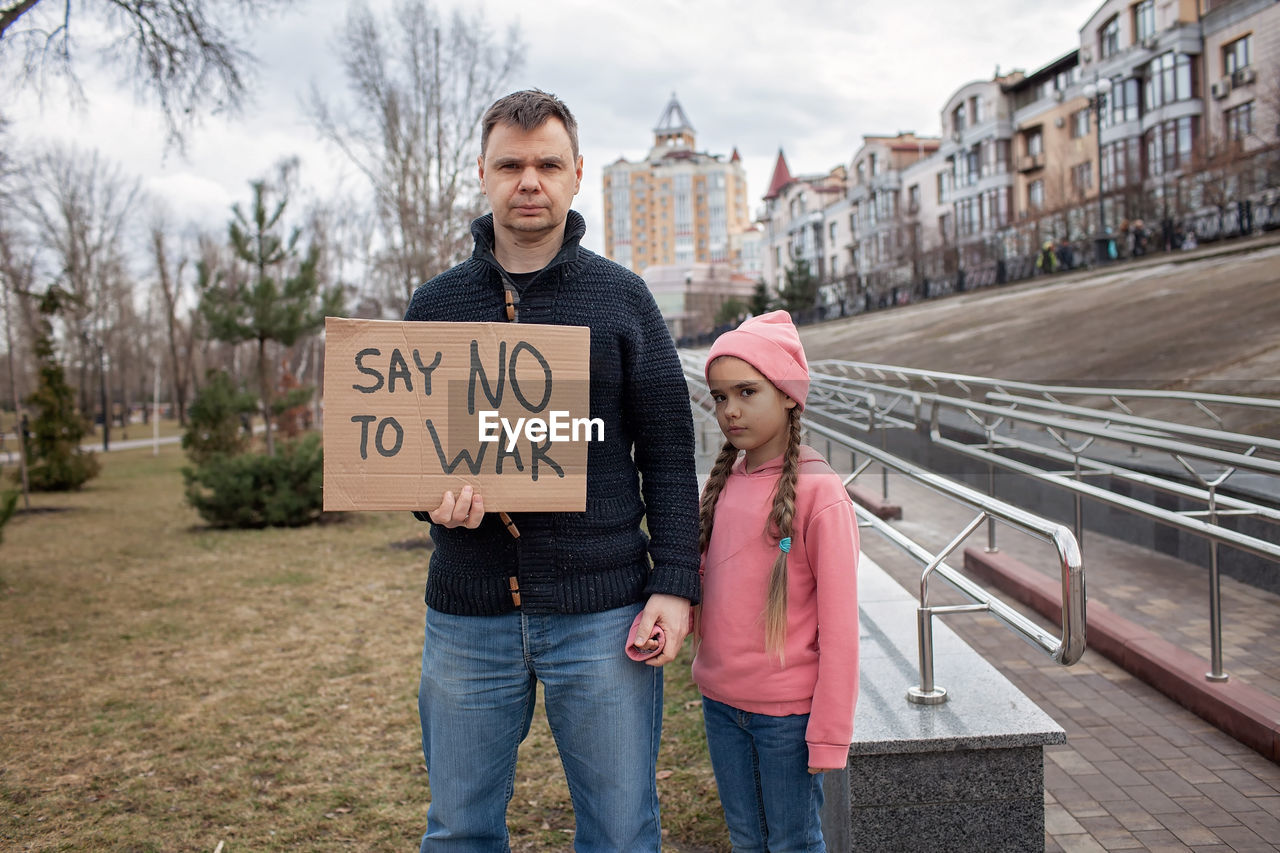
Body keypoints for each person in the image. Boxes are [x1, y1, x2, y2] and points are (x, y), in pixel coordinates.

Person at [402, 89, 701, 851]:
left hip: (602, 613)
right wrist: (431, 504)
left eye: (546, 164)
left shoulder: (623, 298)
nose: (527, 180)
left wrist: (674, 583)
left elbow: (668, 451)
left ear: (576, 176)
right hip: (467, 614)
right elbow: (405, 456)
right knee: (459, 831)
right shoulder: (435, 306)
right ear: (482, 173)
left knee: (621, 831)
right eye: (510, 163)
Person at [693, 311, 860, 852]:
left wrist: (830, 734)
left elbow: (840, 630)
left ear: (788, 393)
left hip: (787, 720)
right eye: (720, 397)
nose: (731, 410)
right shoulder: (721, 486)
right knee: (746, 839)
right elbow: (708, 588)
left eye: (747, 391)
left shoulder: (820, 493)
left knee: (792, 842)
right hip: (721, 706)